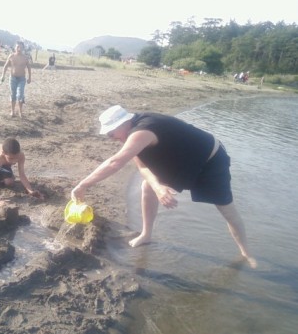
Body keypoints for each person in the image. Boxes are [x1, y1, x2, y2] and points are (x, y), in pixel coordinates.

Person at [71, 105, 257, 268]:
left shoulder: (143, 130)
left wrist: (83, 184)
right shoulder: (132, 133)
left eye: (111, 132)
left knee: (227, 210)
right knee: (148, 186)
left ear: (123, 123)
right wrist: (159, 188)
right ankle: (146, 234)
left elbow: (114, 163)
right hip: (179, 159)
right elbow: (142, 166)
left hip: (210, 160)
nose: (110, 137)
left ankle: (245, 253)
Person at [0, 139, 43, 207]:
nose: (13, 161)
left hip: (4, 161)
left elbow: (22, 175)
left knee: (9, 182)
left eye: (16, 158)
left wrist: (31, 191)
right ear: (3, 153)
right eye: (11, 158)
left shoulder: (20, 155)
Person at [0, 41, 32, 117]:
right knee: (13, 95)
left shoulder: (25, 58)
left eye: (20, 47)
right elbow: (5, 66)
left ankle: (20, 112)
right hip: (12, 78)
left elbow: (29, 68)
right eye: (17, 47)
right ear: (15, 47)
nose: (19, 48)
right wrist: (2, 75)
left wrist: (29, 77)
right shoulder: (11, 56)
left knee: (20, 95)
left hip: (22, 79)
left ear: (23, 48)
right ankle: (12, 111)